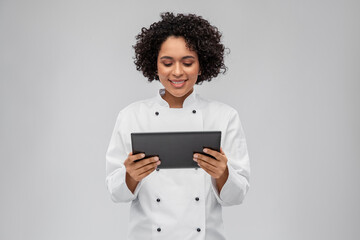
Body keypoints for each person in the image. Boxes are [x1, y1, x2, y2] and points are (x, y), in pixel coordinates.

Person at [106, 12, 250, 240]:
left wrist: (223, 173)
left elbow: (236, 196)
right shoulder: (131, 116)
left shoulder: (224, 116)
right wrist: (130, 175)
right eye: (167, 62)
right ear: (155, 65)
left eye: (188, 62)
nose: (177, 72)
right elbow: (116, 193)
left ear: (202, 66)